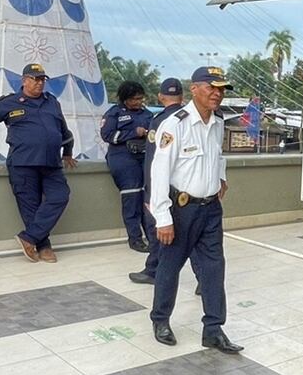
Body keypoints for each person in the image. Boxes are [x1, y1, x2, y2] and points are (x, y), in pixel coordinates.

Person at [148, 66, 241, 354]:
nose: (217, 93)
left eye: (221, 89)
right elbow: (160, 172)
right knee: (170, 266)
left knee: (214, 269)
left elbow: (217, 154)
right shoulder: (175, 124)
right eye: (212, 87)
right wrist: (163, 218)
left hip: (210, 208)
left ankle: (213, 329)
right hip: (181, 209)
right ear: (195, 89)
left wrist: (220, 177)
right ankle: (160, 320)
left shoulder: (218, 122)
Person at [0, 62, 76, 263]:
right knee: (31, 207)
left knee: (60, 196)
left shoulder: (52, 102)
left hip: (51, 163)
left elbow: (63, 130)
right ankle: (44, 246)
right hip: (23, 164)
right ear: (24, 80)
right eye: (35, 79)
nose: (39, 84)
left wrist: (68, 152)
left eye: (42, 80)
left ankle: (28, 238)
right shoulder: (9, 102)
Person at [129, 77, 183, 285]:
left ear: (160, 97)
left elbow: (154, 159)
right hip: (185, 189)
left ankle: (153, 271)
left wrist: (150, 191)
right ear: (182, 96)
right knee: (191, 236)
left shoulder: (160, 121)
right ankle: (203, 279)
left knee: (158, 230)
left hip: (162, 188)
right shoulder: (186, 118)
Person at [101, 80, 153, 252]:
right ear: (125, 99)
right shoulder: (114, 114)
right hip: (123, 159)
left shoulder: (147, 114)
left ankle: (152, 238)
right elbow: (107, 135)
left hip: (143, 157)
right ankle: (135, 239)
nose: (138, 102)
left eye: (140, 99)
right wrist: (132, 133)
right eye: (134, 99)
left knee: (147, 199)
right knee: (132, 199)